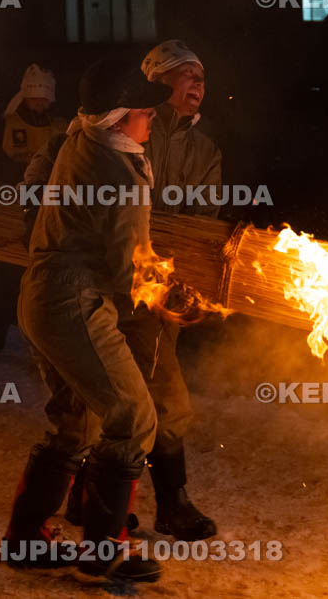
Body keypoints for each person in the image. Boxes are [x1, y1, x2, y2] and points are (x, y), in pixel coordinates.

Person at [5, 59, 171, 583]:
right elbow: (128, 272)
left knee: (75, 422)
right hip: (74, 304)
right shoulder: (121, 174)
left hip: (39, 297)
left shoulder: (80, 137)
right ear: (120, 119)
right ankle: (105, 555)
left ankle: (26, 541)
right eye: (145, 113)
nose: (151, 121)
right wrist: (170, 299)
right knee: (133, 417)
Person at [63, 40, 221, 541]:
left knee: (166, 400)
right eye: (185, 74)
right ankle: (88, 500)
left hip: (154, 296)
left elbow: (205, 224)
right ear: (156, 79)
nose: (198, 83)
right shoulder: (113, 125)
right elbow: (49, 167)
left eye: (202, 76)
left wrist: (182, 288)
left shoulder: (203, 151)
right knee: (96, 401)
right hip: (97, 288)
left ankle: (171, 505)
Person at [1, 64, 66, 167]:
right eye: (34, 98)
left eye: (44, 99)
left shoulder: (60, 126)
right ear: (25, 98)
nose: (39, 103)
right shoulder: (13, 122)